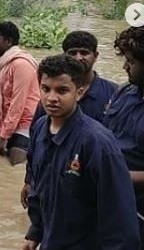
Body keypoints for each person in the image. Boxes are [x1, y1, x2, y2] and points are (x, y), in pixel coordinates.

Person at [23, 54, 139, 250]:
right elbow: (38, 186)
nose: (51, 98)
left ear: (79, 92)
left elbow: (119, 214)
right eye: (45, 88)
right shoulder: (41, 128)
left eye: (62, 91)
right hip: (51, 246)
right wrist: (35, 232)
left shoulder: (97, 143)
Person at [21, 30, 119, 207]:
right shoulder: (47, 104)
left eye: (84, 52)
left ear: (95, 56)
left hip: (90, 177)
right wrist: (29, 181)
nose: (78, 57)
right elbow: (35, 146)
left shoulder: (113, 94)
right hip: (55, 179)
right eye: (72, 53)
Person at [103, 22, 144, 250]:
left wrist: (127, 177)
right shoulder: (124, 93)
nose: (125, 66)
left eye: (131, 62)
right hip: (112, 210)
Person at [0, 21, 40, 165]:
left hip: (26, 122)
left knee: (14, 164)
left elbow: (18, 103)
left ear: (9, 42)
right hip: (7, 123)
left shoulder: (21, 64)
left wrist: (4, 136)